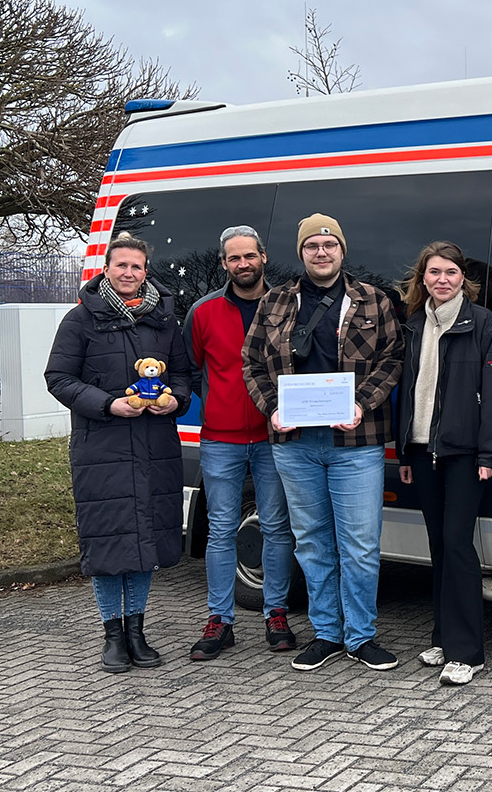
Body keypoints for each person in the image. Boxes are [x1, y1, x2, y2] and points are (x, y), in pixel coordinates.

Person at [244, 214, 404, 671]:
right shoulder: (274, 302)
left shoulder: (373, 299)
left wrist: (363, 403)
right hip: (294, 443)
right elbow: (250, 362)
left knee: (359, 543)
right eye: (312, 245)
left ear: (342, 250)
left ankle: (361, 636)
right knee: (312, 542)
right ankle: (328, 634)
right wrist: (271, 407)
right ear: (301, 253)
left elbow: (393, 357)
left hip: (357, 440)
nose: (321, 252)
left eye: (329, 244)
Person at [44, 231, 190, 674]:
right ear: (106, 269)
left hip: (154, 446)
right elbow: (58, 378)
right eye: (121, 265)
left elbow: (184, 375)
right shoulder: (81, 319)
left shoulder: (165, 322)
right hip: (101, 447)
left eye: (137, 266)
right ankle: (112, 634)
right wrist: (108, 404)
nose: (129, 273)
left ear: (147, 272)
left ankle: (138, 633)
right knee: (109, 541)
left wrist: (175, 401)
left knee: (144, 539)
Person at [395, 241, 492, 686]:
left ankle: (468, 652)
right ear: (421, 278)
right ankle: (444, 637)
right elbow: (407, 392)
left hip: (465, 455)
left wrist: (490, 454)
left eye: (450, 272)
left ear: (464, 278)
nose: (441, 280)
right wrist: (404, 451)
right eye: (433, 273)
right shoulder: (413, 326)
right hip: (423, 452)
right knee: (439, 547)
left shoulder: (482, 324)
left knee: (458, 545)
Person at [182, 225, 296, 660]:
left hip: (274, 436)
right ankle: (220, 620)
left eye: (249, 256)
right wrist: (217, 400)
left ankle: (276, 614)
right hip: (221, 439)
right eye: (234, 258)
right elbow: (190, 368)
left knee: (276, 527)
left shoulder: (287, 306)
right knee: (221, 530)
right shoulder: (204, 311)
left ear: (263, 256)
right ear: (224, 262)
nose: (242, 264)